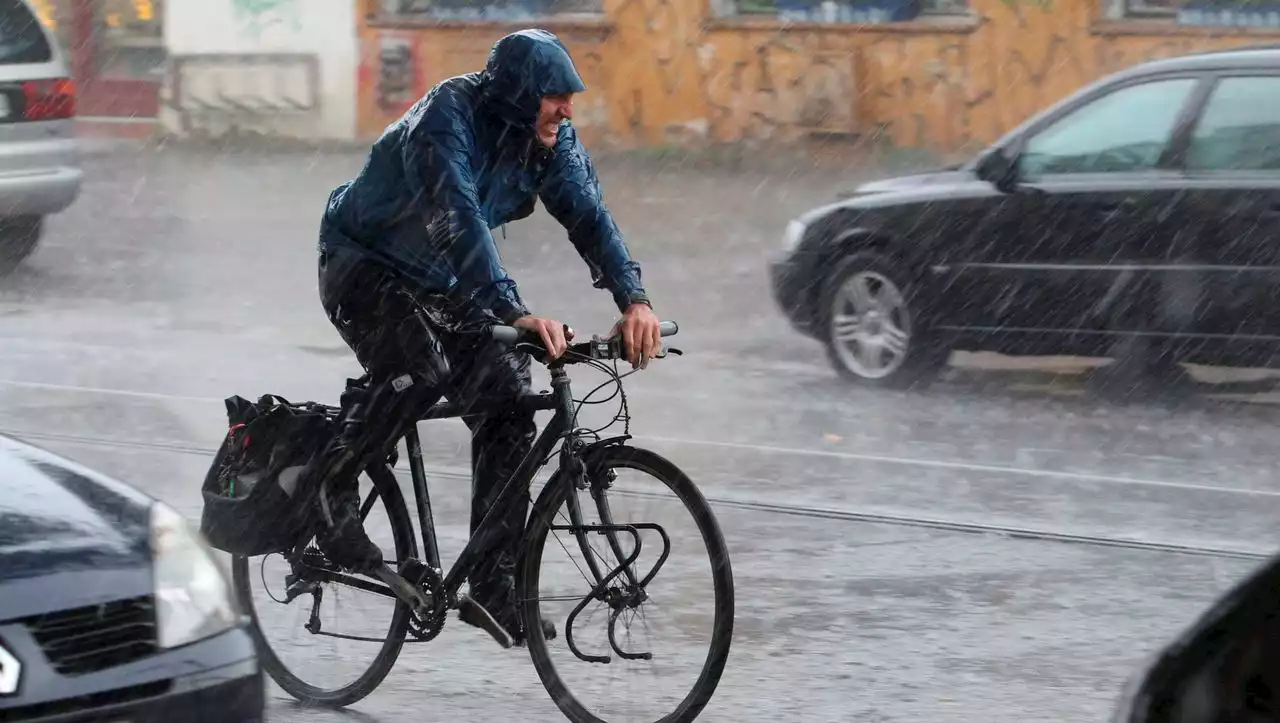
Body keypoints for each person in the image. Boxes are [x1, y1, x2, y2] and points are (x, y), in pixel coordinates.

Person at [310, 28, 663, 644]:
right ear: (518, 95)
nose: (567, 109)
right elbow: (458, 217)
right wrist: (513, 310)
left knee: (508, 403)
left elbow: (588, 216)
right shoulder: (446, 118)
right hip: (362, 262)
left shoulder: (549, 140)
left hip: (444, 279)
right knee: (416, 370)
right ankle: (330, 489)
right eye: (554, 96)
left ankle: (494, 588)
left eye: (569, 97)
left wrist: (634, 299)